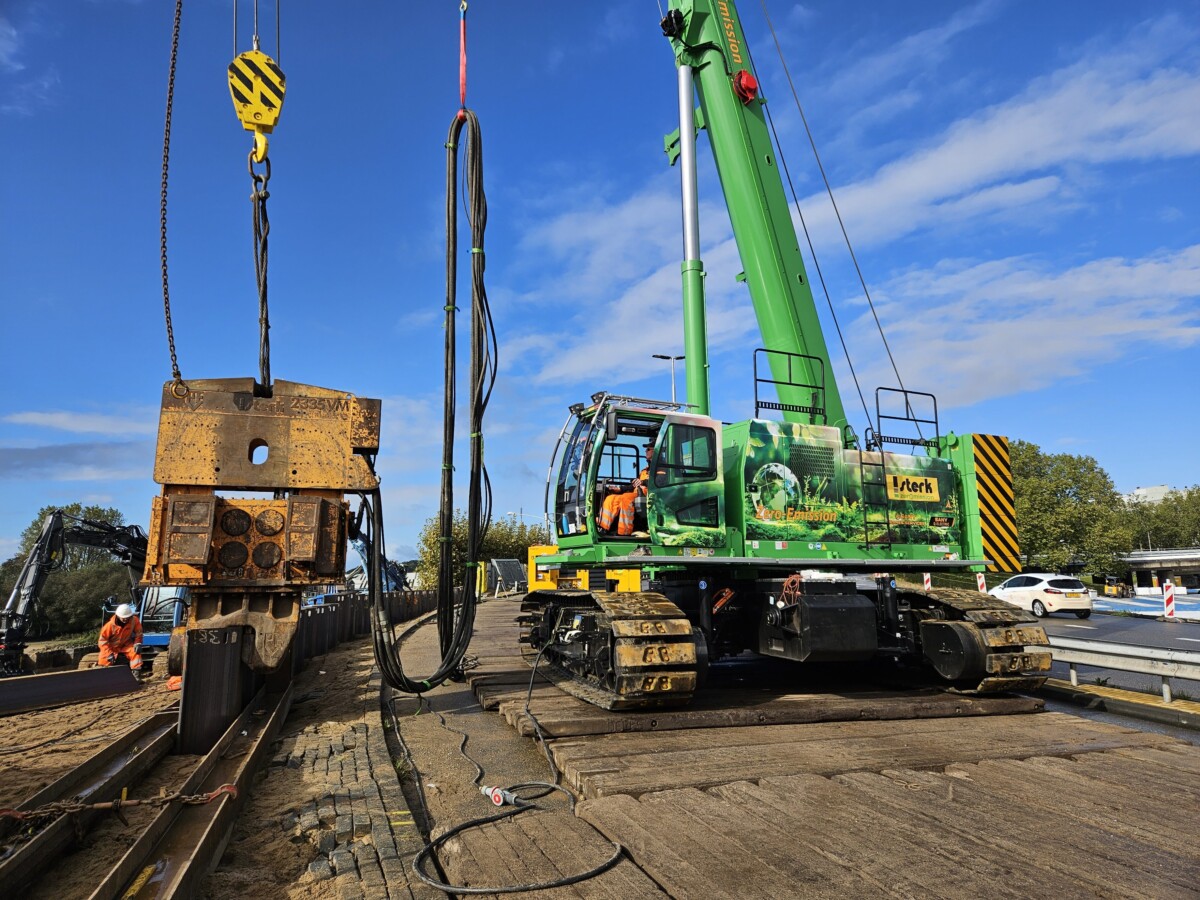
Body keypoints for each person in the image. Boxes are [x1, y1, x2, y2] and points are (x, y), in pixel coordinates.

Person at [599, 443, 654, 536]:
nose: (645, 451)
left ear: (655, 450)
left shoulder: (661, 468)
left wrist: (643, 482)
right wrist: (619, 488)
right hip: (637, 495)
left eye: (648, 449)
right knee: (611, 498)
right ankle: (603, 527)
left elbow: (661, 481)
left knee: (626, 498)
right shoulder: (644, 471)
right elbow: (633, 485)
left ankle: (624, 532)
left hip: (650, 496)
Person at [98, 602, 144, 675]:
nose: (125, 619)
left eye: (127, 617)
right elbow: (102, 642)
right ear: (118, 616)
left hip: (125, 644)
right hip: (110, 647)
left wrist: (137, 643)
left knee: (135, 652)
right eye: (123, 618)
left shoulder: (134, 621)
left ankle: (136, 675)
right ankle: (105, 675)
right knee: (105, 659)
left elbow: (139, 633)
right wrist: (109, 653)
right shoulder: (109, 626)